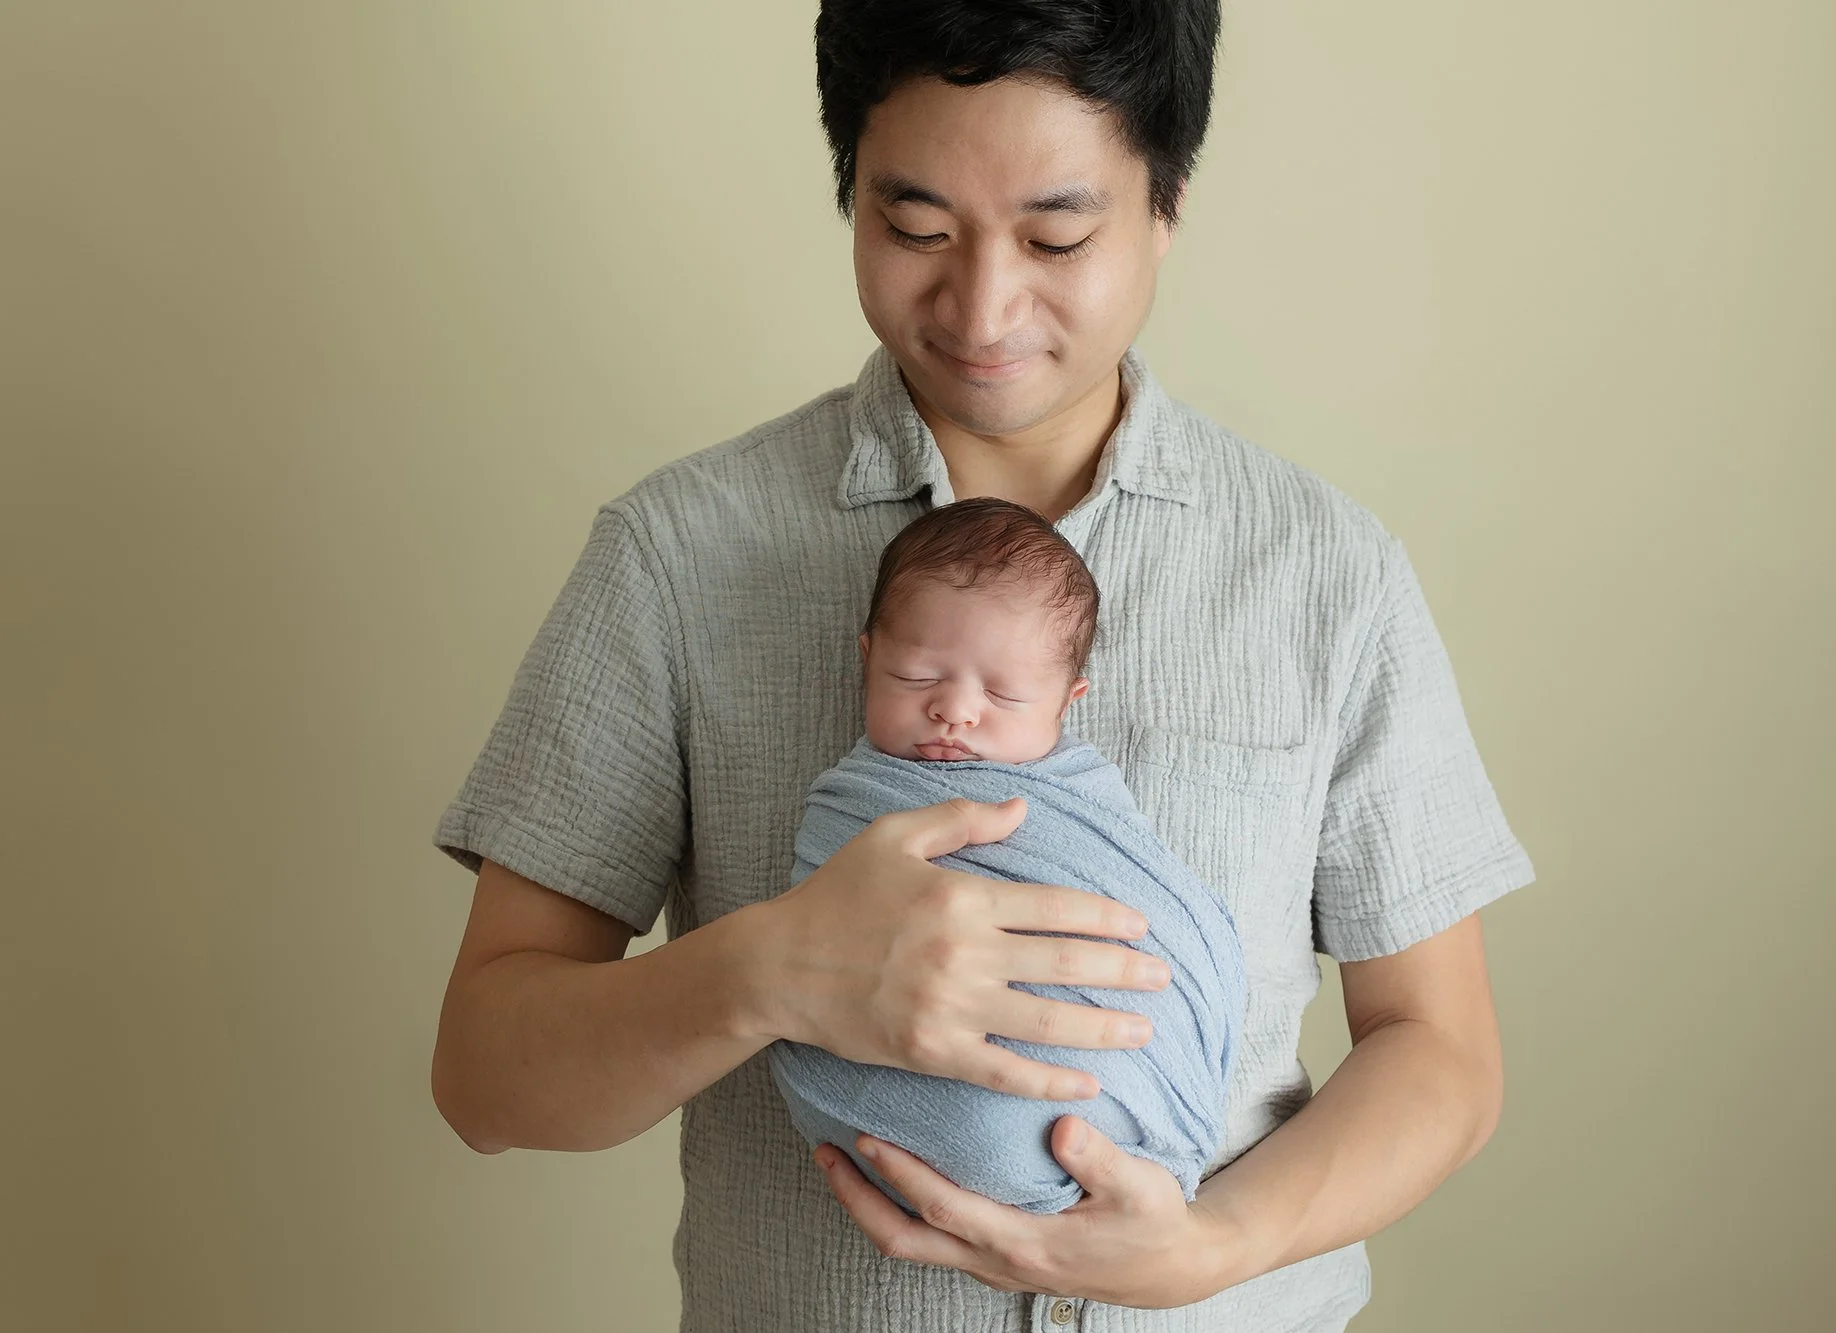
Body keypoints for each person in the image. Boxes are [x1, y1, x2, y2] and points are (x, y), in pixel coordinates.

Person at [428, 2, 1536, 1329]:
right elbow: (484, 1075)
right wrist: (767, 973)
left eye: (1057, 234)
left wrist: (1216, 1240)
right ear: (850, 192)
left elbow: (1443, 1052)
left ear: (1164, 205)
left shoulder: (1326, 572)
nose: (983, 304)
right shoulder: (677, 556)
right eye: (915, 229)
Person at [767, 496, 1248, 1219]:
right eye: (917, 676)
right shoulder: (855, 799)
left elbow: (1163, 917)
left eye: (1003, 692)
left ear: (1066, 701)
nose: (955, 709)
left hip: (1112, 1106)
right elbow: (807, 933)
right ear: (868, 657)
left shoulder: (1083, 793)